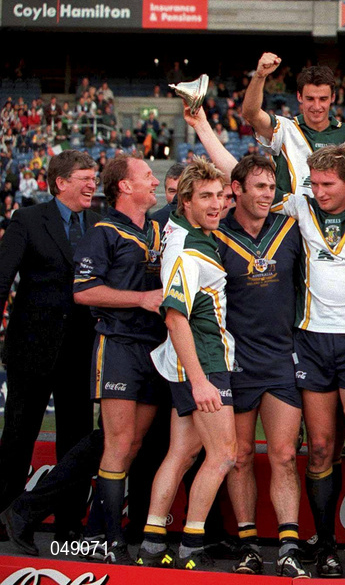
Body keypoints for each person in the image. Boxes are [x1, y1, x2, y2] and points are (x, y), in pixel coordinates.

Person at [184, 102, 310, 577]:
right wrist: (199, 124)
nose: (267, 193)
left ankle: (291, 547)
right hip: (235, 364)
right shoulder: (215, 235)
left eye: (272, 186)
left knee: (282, 456)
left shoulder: (290, 226)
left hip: (281, 360)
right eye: (258, 186)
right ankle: (249, 546)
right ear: (235, 190)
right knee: (237, 459)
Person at [269, 144, 345, 578]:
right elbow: (247, 184)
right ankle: (326, 547)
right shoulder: (300, 206)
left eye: (327, 184)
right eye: (314, 183)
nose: (318, 191)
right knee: (319, 447)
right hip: (313, 340)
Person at [137, 158, 235, 571]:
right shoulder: (187, 249)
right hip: (203, 360)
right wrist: (199, 381)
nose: (217, 205)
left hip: (194, 359)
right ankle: (192, 543)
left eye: (220, 196)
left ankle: (151, 540)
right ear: (184, 201)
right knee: (224, 454)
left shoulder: (191, 234)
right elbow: (174, 315)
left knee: (181, 452)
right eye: (206, 198)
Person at [0, 150, 100, 542]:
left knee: (75, 441)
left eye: (94, 177)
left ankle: (69, 523)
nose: (93, 183)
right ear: (61, 182)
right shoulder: (27, 219)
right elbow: (2, 278)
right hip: (31, 351)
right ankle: (3, 515)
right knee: (18, 436)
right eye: (85, 177)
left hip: (80, 353)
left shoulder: (99, 223)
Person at [72, 155, 166, 563]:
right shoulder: (102, 230)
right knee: (118, 443)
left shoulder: (161, 229)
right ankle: (111, 543)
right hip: (119, 345)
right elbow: (83, 291)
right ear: (124, 186)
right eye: (147, 175)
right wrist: (141, 299)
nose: (154, 181)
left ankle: (96, 534)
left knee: (134, 445)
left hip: (155, 348)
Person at [242, 53, 345, 197]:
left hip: (339, 218)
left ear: (333, 98)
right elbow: (250, 114)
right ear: (299, 96)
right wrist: (259, 76)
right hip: (291, 217)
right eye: (310, 99)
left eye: (323, 99)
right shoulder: (284, 128)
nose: (316, 106)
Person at [151, 162, 185, 227]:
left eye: (182, 191)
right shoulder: (155, 223)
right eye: (172, 191)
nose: (177, 197)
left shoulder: (203, 221)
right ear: (165, 192)